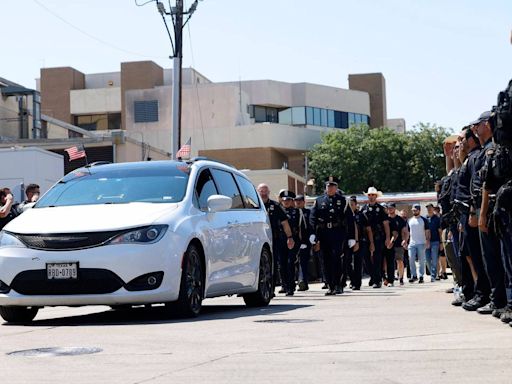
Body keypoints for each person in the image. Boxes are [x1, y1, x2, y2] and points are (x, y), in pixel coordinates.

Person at [470, 111, 508, 315]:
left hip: (494, 209)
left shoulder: (493, 151)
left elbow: (488, 185)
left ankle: (500, 300)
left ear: (487, 124)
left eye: (479, 125)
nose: (475, 129)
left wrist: (482, 213)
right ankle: (499, 299)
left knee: (496, 258)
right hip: (486, 209)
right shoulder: (486, 151)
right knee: (490, 258)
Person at [456, 126, 492, 311]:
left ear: (471, 140)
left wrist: (472, 212)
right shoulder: (470, 158)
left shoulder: (478, 156)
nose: (460, 143)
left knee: (479, 256)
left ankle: (483, 294)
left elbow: (475, 188)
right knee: (471, 255)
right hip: (466, 214)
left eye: (462, 139)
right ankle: (479, 292)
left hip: (473, 213)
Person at [310, 178, 355, 295]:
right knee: (325, 260)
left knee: (337, 259)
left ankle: (338, 284)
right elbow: (313, 218)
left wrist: (351, 237)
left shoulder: (343, 201)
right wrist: (312, 234)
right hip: (324, 233)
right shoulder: (319, 201)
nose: (330, 188)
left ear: (336, 188)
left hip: (338, 233)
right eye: (328, 186)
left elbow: (350, 220)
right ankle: (330, 285)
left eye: (332, 186)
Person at [256, 184, 294, 294]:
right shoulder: (253, 205)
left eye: (265, 191)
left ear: (268, 192)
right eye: (261, 191)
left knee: (276, 264)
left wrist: (290, 237)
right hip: (257, 241)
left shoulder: (275, 206)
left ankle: (274, 289)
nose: (263, 193)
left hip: (274, 240)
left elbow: (285, 223)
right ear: (257, 192)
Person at [360, 187, 391, 289]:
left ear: (376, 196)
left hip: (378, 236)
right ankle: (373, 276)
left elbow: (386, 224)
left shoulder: (381, 209)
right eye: (369, 195)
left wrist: (387, 238)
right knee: (366, 259)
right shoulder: (363, 209)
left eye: (373, 195)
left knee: (378, 259)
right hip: (365, 237)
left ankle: (377, 280)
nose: (371, 197)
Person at [279, 190, 301, 296]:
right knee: (282, 264)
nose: (286, 202)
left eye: (288, 200)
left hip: (293, 240)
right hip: (281, 240)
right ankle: (284, 285)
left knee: (290, 263)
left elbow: (301, 228)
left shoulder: (297, 212)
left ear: (292, 201)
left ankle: (291, 286)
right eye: (284, 200)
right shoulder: (278, 212)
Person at [294, 194, 313, 291]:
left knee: (303, 261)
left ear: (304, 202)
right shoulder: (293, 212)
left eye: (300, 201)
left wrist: (308, 241)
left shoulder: (308, 213)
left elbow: (310, 227)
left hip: (305, 241)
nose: (298, 203)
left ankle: (302, 281)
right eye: (296, 201)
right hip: (295, 242)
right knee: (295, 263)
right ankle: (301, 281)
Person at [407, 204, 430, 283]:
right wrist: (405, 241)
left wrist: (427, 241)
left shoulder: (424, 220)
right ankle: (414, 275)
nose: (414, 211)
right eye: (413, 210)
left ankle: (421, 276)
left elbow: (427, 231)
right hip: (412, 243)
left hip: (421, 242)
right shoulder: (409, 220)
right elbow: (408, 232)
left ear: (419, 210)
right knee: (411, 259)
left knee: (421, 260)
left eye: (415, 210)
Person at [349, 196, 368, 290]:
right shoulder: (345, 215)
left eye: (352, 204)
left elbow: (367, 229)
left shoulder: (361, 215)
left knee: (357, 263)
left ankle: (357, 284)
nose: (350, 206)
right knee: (348, 264)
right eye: (349, 204)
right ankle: (352, 281)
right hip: (348, 242)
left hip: (360, 241)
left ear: (356, 205)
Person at [387, 203, 409, 286]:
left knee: (399, 261)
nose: (390, 209)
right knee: (389, 262)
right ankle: (389, 279)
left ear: (394, 209)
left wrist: (405, 240)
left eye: (391, 208)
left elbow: (405, 231)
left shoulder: (399, 219)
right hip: (388, 243)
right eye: (388, 208)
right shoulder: (386, 219)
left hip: (398, 243)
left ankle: (401, 278)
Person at [425, 203, 442, 282]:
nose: (429, 209)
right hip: (426, 242)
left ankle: (433, 276)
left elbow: (440, 231)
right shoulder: (425, 218)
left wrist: (441, 242)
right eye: (427, 208)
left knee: (434, 259)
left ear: (433, 208)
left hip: (435, 241)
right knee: (427, 260)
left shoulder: (437, 218)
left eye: (430, 208)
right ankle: (432, 273)